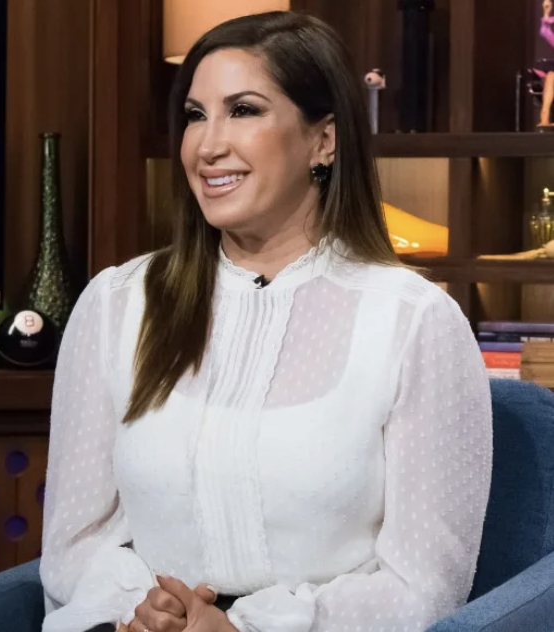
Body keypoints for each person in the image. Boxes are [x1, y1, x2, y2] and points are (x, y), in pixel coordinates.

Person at [40, 10, 492, 632]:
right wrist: (140, 608)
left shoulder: (414, 321)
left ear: (324, 140)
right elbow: (71, 543)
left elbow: (426, 589)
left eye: (243, 110)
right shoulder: (118, 304)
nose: (207, 145)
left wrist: (245, 628)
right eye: (195, 115)